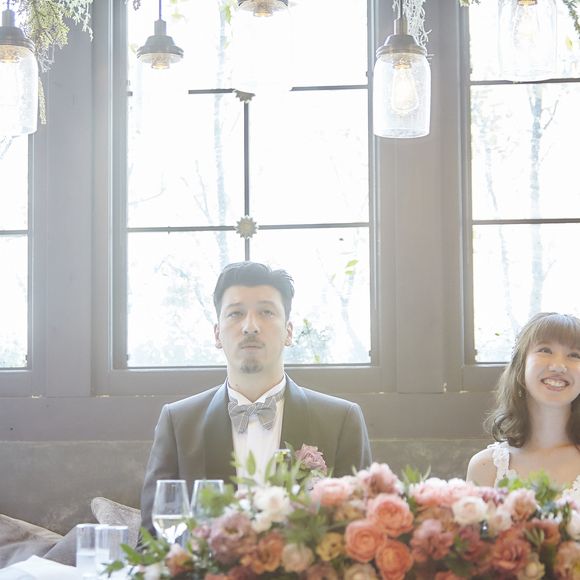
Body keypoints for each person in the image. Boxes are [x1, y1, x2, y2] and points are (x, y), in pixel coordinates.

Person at [140, 261, 372, 534]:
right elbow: (151, 541)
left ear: (289, 332)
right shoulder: (178, 422)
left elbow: (360, 534)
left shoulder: (341, 420)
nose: (250, 326)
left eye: (266, 312)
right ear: (217, 334)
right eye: (235, 313)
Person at [466, 312, 580, 494]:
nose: (558, 366)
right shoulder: (485, 467)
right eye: (545, 350)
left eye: (574, 355)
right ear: (521, 365)